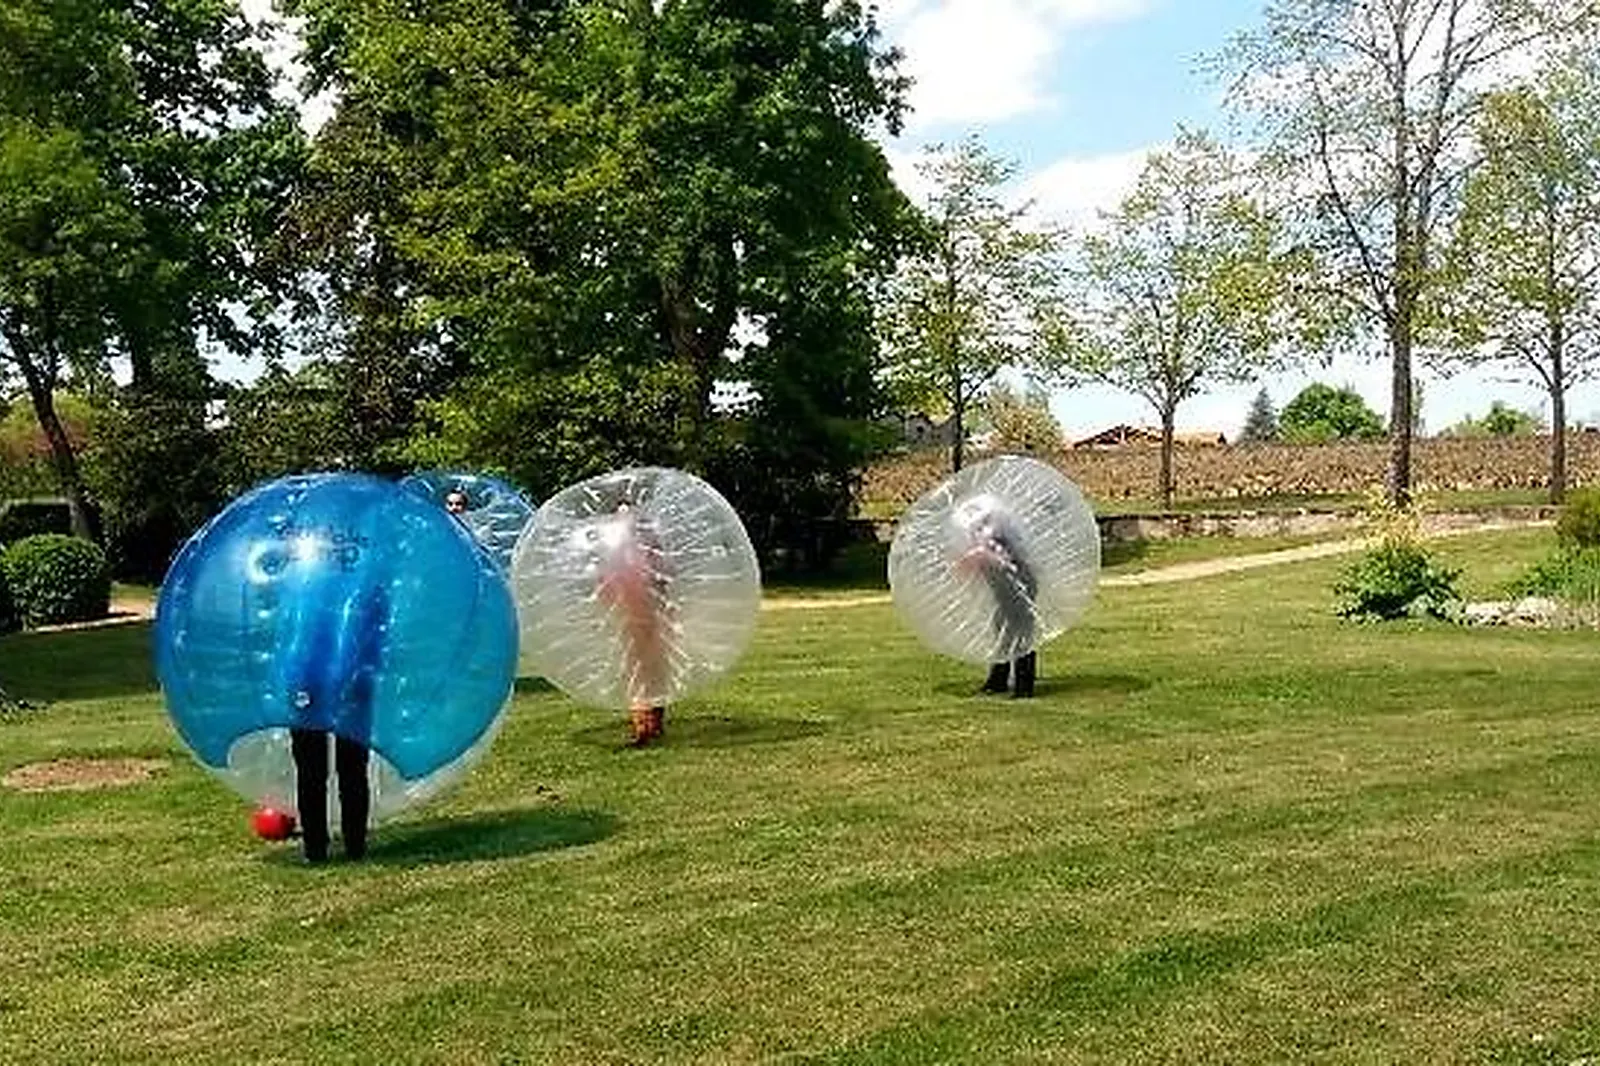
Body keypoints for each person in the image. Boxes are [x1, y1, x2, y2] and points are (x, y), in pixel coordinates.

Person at [288, 581, 387, 863]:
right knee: (317, 768)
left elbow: (377, 628)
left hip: (343, 676)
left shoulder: (364, 580)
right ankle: (322, 847)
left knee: (345, 767)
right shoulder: (305, 574)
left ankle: (345, 846)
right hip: (310, 676)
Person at [595, 502, 674, 745]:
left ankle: (650, 725)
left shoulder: (648, 552)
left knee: (650, 668)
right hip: (633, 614)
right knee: (641, 669)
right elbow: (606, 584)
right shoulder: (616, 553)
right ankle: (645, 726)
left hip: (649, 614)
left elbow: (664, 581)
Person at [958, 504, 1038, 699]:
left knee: (1022, 634)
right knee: (1002, 631)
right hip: (1003, 589)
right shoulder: (979, 537)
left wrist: (983, 556)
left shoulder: (1002, 534)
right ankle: (997, 681)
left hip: (1020, 585)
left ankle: (1023, 687)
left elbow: (1007, 563)